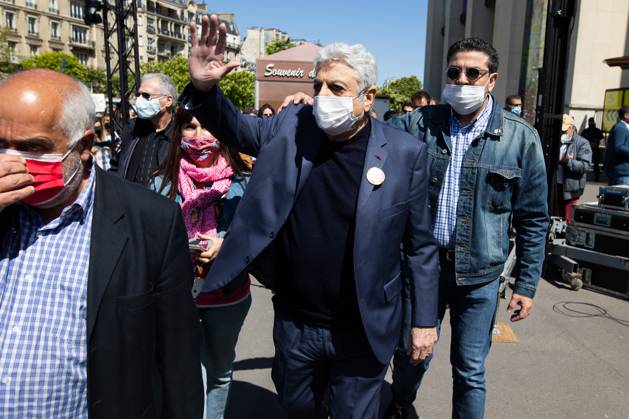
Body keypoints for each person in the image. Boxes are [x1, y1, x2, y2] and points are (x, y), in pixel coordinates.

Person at [182, 15, 439, 419]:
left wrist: (423, 321)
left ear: (368, 97)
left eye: (337, 88)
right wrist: (204, 87)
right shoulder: (291, 125)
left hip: (363, 325)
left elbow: (420, 246)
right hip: (296, 321)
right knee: (296, 407)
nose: (323, 96)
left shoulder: (406, 153)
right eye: (317, 86)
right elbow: (234, 127)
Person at [0, 69, 203, 418]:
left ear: (84, 146)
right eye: (1, 145)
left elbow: (177, 360)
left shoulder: (152, 221)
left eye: (33, 148)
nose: (10, 161)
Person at [387, 38, 549, 419]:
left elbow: (533, 219)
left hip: (480, 276)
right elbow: (368, 135)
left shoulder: (520, 137)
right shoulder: (419, 124)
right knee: (412, 357)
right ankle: (399, 404)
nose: (461, 79)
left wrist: (526, 285)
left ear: (491, 80)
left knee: (470, 371)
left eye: (472, 73)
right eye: (454, 71)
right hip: (422, 271)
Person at [150, 108, 252, 419]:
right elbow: (151, 238)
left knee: (220, 371)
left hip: (227, 296)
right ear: (178, 133)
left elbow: (259, 238)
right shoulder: (161, 184)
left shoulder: (244, 184)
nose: (200, 136)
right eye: (190, 127)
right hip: (178, 294)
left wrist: (228, 245)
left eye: (208, 127)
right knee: (190, 371)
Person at [110, 73, 178, 186]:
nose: (139, 100)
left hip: (163, 202)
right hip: (130, 200)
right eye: (138, 95)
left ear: (168, 100)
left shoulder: (180, 133)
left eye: (146, 96)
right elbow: (116, 166)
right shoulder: (133, 128)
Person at [556, 115, 592, 223]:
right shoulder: (555, 140)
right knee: (555, 217)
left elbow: (584, 166)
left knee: (568, 220)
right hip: (555, 186)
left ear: (572, 128)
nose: (562, 133)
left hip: (571, 188)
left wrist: (566, 161)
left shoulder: (582, 143)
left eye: (564, 130)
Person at [604, 106, 629, 185]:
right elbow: (619, 147)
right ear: (626, 115)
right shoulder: (620, 128)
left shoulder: (623, 127)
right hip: (622, 173)